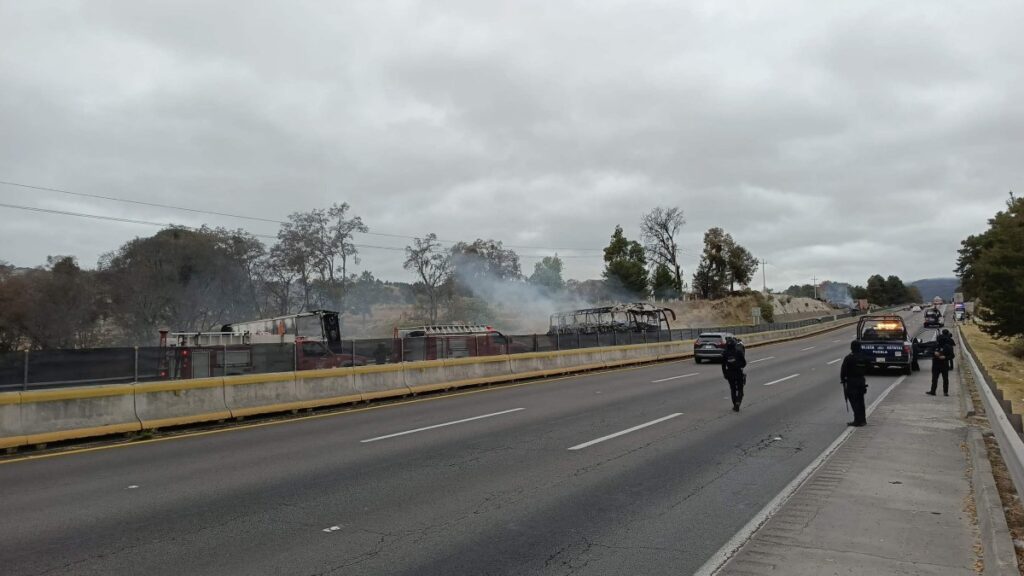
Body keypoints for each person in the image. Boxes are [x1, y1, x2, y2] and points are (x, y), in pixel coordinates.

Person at [840, 341, 869, 426]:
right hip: (861, 381)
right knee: (861, 401)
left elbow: (843, 370)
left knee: (854, 401)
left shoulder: (849, 358)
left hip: (852, 382)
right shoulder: (864, 357)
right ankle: (863, 420)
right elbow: (869, 366)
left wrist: (843, 379)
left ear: (851, 348)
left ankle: (857, 420)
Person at [721, 337, 747, 412]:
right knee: (740, 389)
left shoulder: (725, 353)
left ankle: (735, 404)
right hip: (738, 372)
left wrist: (725, 374)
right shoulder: (738, 352)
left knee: (733, 389)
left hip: (730, 373)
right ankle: (738, 402)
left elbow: (723, 366)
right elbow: (744, 363)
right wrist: (739, 366)